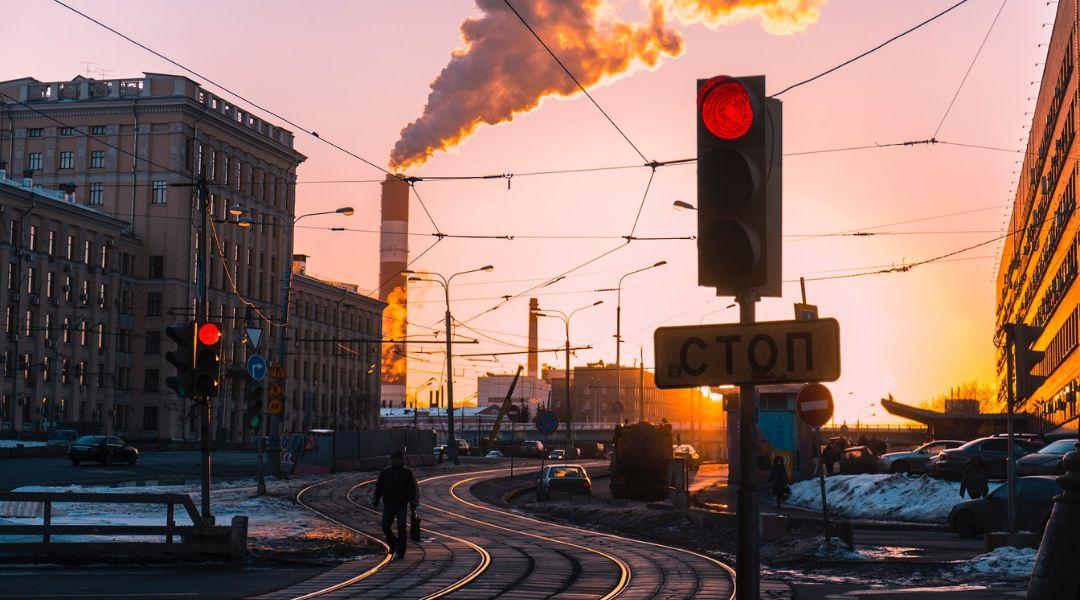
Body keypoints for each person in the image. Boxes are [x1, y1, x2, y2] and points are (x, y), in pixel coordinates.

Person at [373, 449, 419, 559]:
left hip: (402, 504)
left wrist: (414, 502)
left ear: (400, 460)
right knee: (385, 526)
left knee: (401, 528)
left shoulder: (407, 472)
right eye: (392, 459)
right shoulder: (385, 472)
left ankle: (401, 551)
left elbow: (413, 488)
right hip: (389, 504)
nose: (394, 461)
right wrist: (376, 499)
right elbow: (379, 487)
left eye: (396, 459)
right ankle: (393, 544)